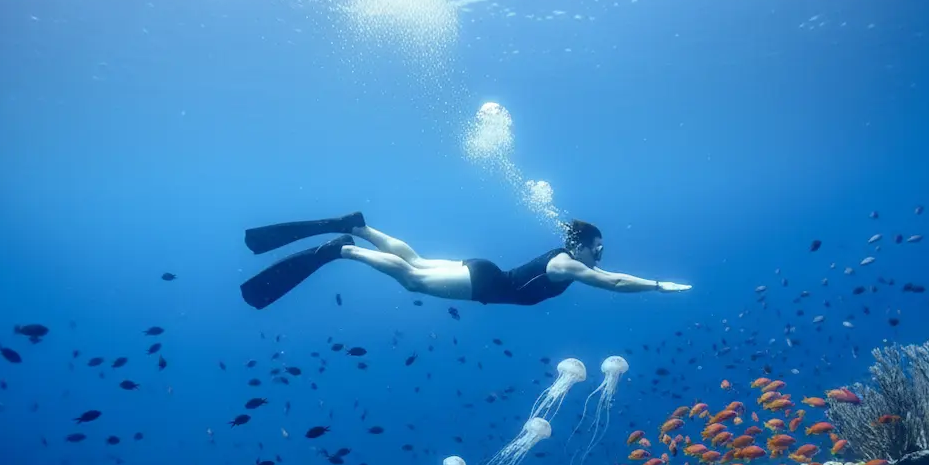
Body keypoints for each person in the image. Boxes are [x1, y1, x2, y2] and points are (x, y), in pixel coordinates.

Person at [239, 212, 692, 310]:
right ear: (587, 245)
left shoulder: (565, 259)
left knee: (413, 259)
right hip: (485, 284)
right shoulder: (569, 265)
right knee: (413, 279)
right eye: (599, 245)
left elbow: (607, 275)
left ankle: (357, 226)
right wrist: (656, 285)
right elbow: (612, 283)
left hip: (484, 272)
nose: (601, 253)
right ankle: (343, 249)